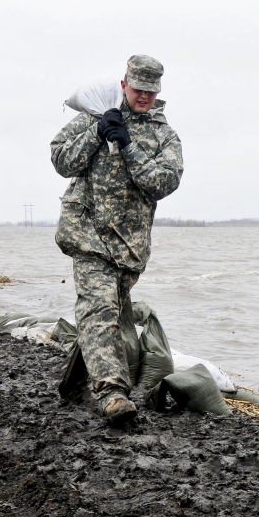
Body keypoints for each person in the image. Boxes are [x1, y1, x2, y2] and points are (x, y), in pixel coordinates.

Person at [50, 55, 183, 425]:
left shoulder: (163, 135)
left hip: (129, 245)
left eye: (151, 92)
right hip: (87, 233)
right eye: (139, 90)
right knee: (100, 309)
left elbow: (162, 183)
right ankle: (112, 394)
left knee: (106, 312)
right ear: (124, 85)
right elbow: (61, 160)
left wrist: (128, 146)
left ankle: (72, 383)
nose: (144, 97)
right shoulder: (95, 116)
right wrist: (96, 134)